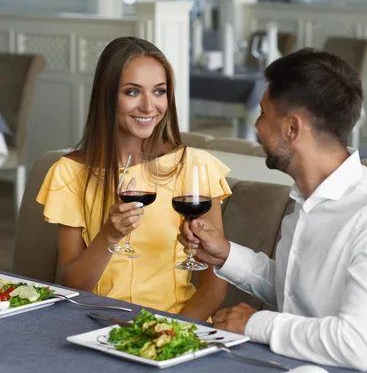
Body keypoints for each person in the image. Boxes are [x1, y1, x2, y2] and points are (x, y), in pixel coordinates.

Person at [179, 48, 367, 369]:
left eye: (263, 115)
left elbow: (358, 344)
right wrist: (226, 255)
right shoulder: (305, 200)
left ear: (292, 129)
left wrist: (256, 324)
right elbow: (295, 289)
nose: (257, 127)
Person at [37, 36, 230, 320]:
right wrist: (109, 236)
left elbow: (214, 287)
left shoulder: (192, 166)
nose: (149, 107)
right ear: (107, 95)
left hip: (177, 329)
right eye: (132, 92)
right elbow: (73, 285)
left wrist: (165, 334)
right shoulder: (70, 172)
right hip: (96, 326)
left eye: (159, 91)